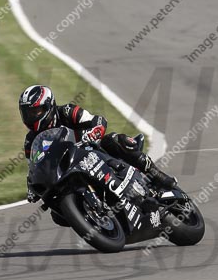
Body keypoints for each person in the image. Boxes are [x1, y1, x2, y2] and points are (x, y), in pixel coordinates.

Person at [20, 86, 176, 218]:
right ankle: (94, 218)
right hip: (68, 169)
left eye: (35, 112)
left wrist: (93, 132)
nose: (31, 117)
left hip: (92, 151)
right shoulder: (30, 141)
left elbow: (98, 120)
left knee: (113, 140)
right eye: (27, 113)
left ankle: (156, 174)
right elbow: (34, 166)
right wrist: (32, 187)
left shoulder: (67, 112)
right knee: (57, 215)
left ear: (49, 106)